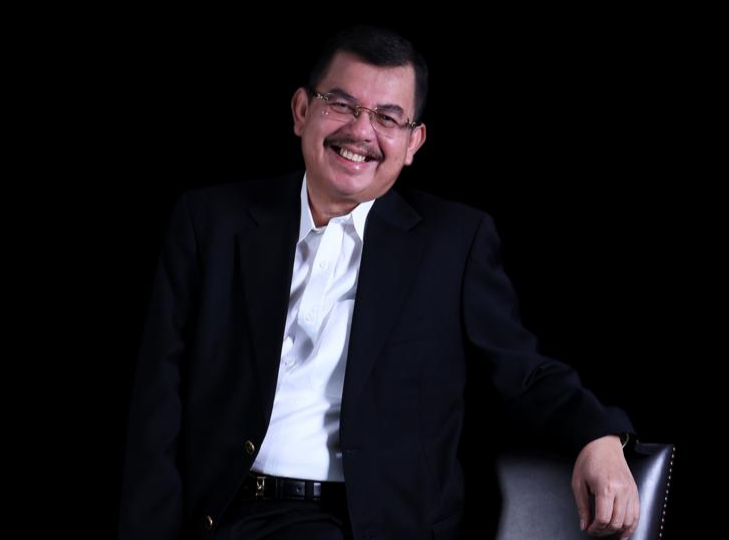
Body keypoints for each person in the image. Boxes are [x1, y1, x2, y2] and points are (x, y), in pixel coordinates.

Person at [119, 25, 639, 540]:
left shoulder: (453, 244)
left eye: (387, 118)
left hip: (362, 524)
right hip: (223, 517)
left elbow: (522, 372)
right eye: (341, 105)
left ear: (413, 142)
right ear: (301, 111)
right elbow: (156, 400)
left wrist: (598, 435)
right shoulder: (211, 223)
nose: (361, 132)